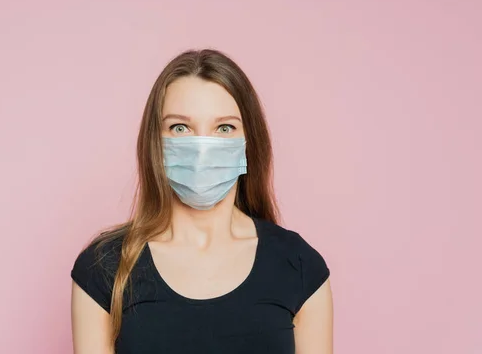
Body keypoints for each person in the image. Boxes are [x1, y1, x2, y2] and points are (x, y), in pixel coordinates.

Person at [70, 49, 333, 354]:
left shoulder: (300, 267)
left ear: (249, 143)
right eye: (180, 128)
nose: (202, 147)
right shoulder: (104, 269)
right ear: (155, 141)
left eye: (224, 128)